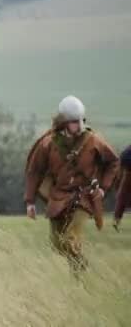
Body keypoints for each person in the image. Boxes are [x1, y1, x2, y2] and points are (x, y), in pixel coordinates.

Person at [25, 95, 119, 274]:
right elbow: (34, 171)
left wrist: (103, 188)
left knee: (70, 238)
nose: (80, 126)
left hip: (83, 197)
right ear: (63, 122)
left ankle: (80, 270)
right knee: (56, 244)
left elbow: (113, 162)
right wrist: (30, 202)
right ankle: (78, 266)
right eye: (75, 122)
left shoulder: (93, 140)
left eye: (81, 121)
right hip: (58, 197)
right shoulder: (48, 143)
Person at [114, 145, 131, 229]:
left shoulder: (127, 150)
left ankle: (116, 219)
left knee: (122, 197)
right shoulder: (128, 151)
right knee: (122, 196)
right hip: (128, 172)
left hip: (127, 172)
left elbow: (122, 159)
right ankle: (116, 219)